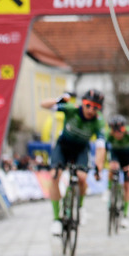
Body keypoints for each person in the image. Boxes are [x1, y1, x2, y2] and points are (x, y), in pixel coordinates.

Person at [40, 89, 106, 236]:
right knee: (54, 176)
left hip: (81, 149)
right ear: (83, 103)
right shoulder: (71, 109)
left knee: (82, 177)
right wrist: (59, 100)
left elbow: (101, 148)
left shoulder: (98, 121)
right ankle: (56, 219)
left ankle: (80, 207)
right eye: (88, 105)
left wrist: (99, 168)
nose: (91, 110)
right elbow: (43, 104)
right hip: (63, 147)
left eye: (96, 107)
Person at [105, 114, 129, 229]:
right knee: (112, 169)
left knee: (126, 185)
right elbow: (104, 151)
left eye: (120, 131)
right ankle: (110, 190)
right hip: (115, 155)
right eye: (115, 132)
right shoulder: (108, 135)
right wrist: (108, 163)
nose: (118, 134)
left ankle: (125, 215)